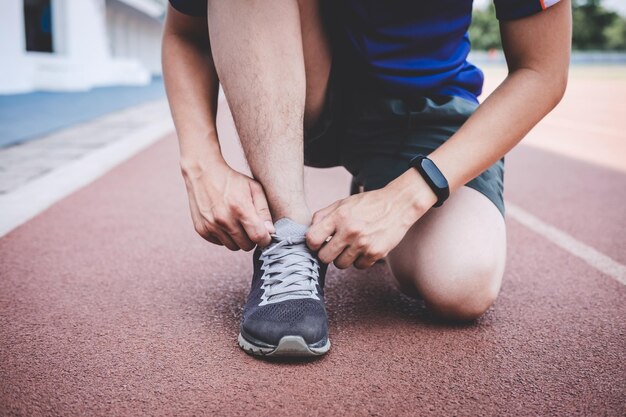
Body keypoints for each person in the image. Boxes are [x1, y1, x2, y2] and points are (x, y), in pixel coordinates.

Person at [162, 0, 571, 357]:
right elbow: (187, 34)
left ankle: (375, 185)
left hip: (424, 112)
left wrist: (403, 199)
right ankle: (289, 242)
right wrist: (201, 164)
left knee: (462, 282)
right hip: (300, 89)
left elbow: (542, 70)